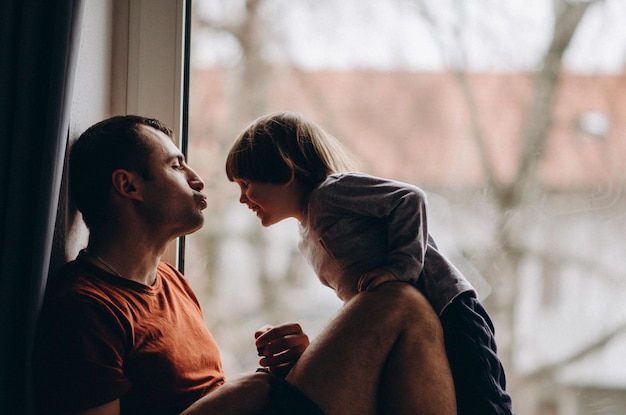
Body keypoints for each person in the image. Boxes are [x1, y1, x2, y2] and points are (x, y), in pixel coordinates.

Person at [32, 114, 456, 415]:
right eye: (176, 165)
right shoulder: (85, 308)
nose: (197, 178)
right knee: (396, 300)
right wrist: (248, 389)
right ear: (128, 185)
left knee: (405, 308)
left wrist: (297, 371)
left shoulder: (170, 283)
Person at [225, 111, 515, 415]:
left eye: (246, 184)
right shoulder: (305, 237)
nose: (243, 198)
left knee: (480, 396)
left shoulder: (329, 194)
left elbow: (410, 198)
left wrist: (401, 269)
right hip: (411, 325)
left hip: (450, 307)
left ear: (283, 172)